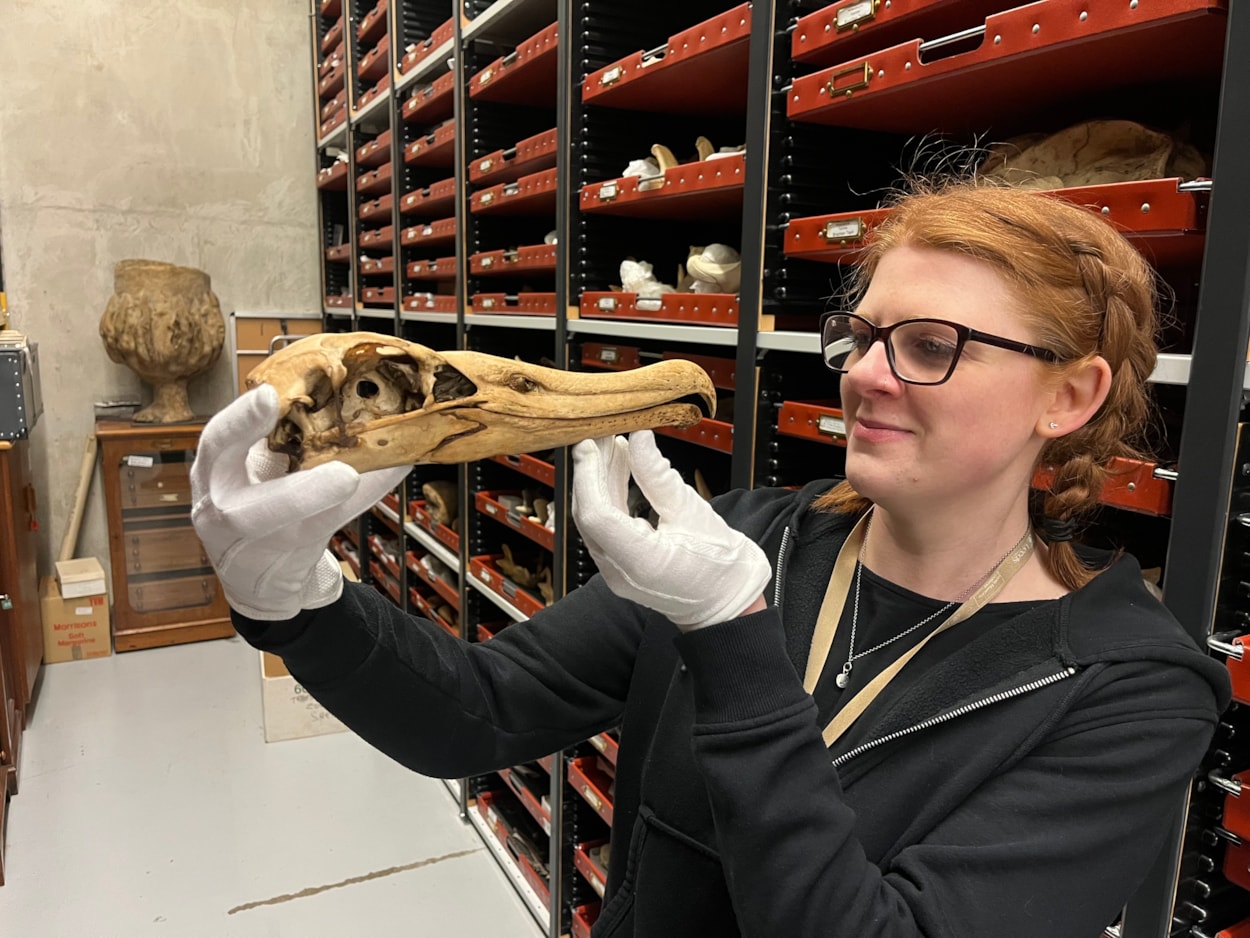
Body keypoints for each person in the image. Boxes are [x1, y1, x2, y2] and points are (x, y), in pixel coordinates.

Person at [190, 182, 1229, 938]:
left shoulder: (1125, 690)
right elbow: (483, 708)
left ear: (1068, 395)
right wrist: (294, 600)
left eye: (927, 345)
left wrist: (731, 637)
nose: (865, 374)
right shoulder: (747, 537)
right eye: (860, 335)